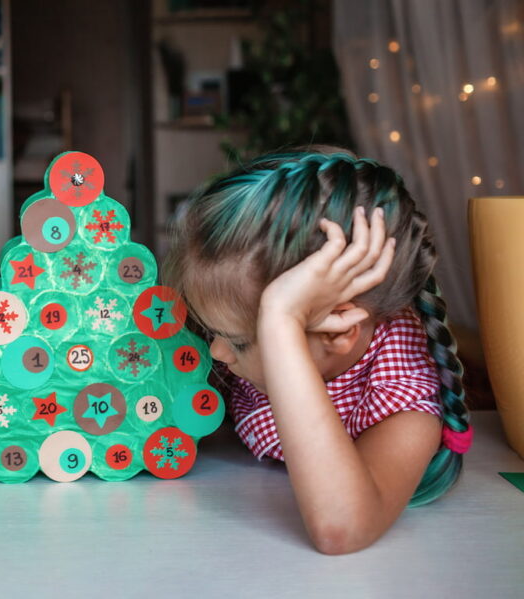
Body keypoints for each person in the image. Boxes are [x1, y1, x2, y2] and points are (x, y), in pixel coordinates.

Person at [166, 148, 471, 554]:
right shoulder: (238, 320)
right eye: (211, 332)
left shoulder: (404, 399)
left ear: (339, 330)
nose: (217, 352)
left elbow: (342, 528)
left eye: (237, 340)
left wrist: (281, 319)